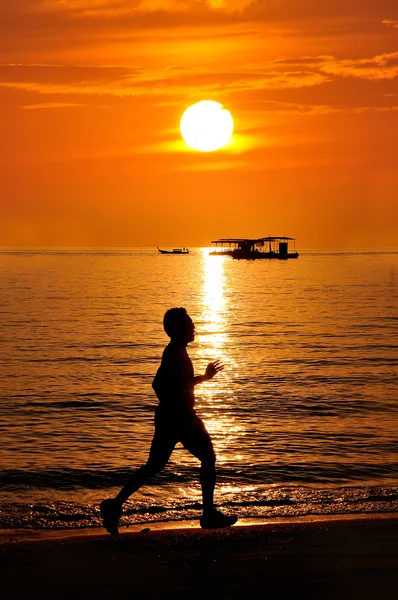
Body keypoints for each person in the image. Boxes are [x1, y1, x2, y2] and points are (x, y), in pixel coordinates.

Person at [100, 307, 237, 536]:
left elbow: (177, 383)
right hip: (179, 418)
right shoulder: (174, 352)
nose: (193, 326)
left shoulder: (177, 351)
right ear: (177, 328)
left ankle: (114, 505)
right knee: (207, 457)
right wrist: (176, 406)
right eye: (189, 323)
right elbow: (159, 385)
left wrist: (204, 378)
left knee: (155, 466)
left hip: (174, 418)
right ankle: (208, 514)